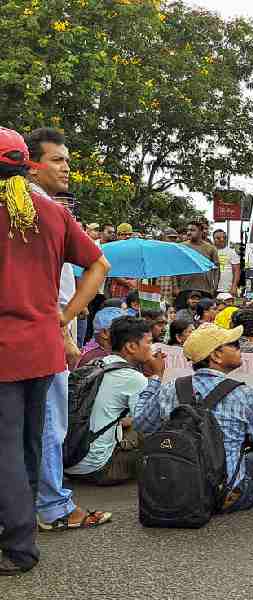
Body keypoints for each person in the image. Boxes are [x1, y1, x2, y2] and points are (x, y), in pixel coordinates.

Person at [0, 127, 109, 575]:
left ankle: (18, 548)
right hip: (41, 348)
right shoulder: (52, 214)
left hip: (5, 350)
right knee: (27, 446)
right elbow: (99, 264)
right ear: (26, 164)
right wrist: (63, 317)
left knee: (6, 449)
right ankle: (21, 531)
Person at [134, 325, 253, 513]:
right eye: (234, 344)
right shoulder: (244, 394)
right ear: (215, 356)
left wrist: (155, 378)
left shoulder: (169, 388)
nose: (240, 348)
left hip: (176, 488)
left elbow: (141, 424)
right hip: (222, 498)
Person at [65, 317, 165, 485]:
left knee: (130, 425)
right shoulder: (133, 378)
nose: (153, 348)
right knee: (163, 444)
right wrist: (158, 374)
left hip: (69, 462)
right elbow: (149, 423)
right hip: (99, 468)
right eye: (149, 342)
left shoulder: (95, 364)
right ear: (131, 347)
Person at [176, 220, 219, 295]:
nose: (189, 233)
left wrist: (214, 287)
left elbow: (216, 270)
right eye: (188, 230)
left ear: (201, 232)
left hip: (205, 289)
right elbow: (175, 267)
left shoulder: (211, 248)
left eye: (192, 230)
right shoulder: (180, 247)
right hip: (184, 289)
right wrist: (176, 287)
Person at [213, 229, 241, 297]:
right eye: (218, 238)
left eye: (224, 237)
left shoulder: (232, 252)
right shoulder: (210, 251)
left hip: (227, 289)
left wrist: (234, 287)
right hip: (212, 289)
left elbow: (237, 271)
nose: (222, 239)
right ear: (213, 239)